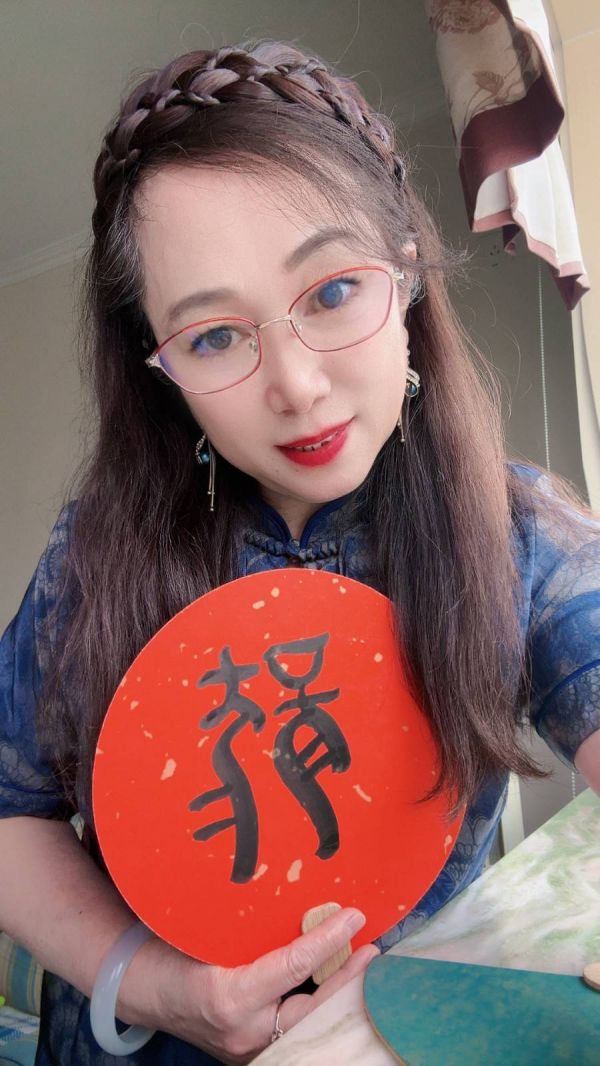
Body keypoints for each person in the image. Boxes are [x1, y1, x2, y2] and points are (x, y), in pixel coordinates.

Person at [1, 39, 599, 1066]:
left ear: (404, 273)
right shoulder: (93, 556)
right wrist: (162, 989)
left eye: (331, 292)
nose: (297, 386)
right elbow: (11, 816)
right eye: (214, 336)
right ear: (158, 368)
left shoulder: (518, 535)